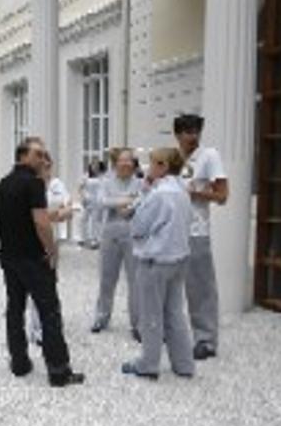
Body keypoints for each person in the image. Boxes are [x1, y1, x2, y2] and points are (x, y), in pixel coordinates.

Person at [0, 136, 85, 387]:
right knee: (49, 311)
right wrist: (52, 249)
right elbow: (40, 221)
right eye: (38, 154)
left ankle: (19, 362)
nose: (43, 159)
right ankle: (59, 370)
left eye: (44, 154)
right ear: (23, 155)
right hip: (32, 258)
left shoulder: (3, 183)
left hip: (9, 256)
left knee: (15, 308)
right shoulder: (33, 183)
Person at [121, 147, 195, 380]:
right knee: (175, 312)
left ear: (163, 166)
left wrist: (138, 204)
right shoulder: (182, 191)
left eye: (152, 163)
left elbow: (138, 227)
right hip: (179, 259)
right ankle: (184, 364)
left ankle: (149, 364)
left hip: (156, 261)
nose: (148, 168)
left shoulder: (159, 194)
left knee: (151, 314)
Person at [174, 114, 228, 360]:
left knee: (201, 287)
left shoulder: (209, 156)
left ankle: (205, 339)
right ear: (178, 134)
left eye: (196, 130)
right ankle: (173, 333)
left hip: (196, 231)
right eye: (187, 131)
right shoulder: (172, 159)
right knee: (170, 285)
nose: (192, 135)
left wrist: (196, 192)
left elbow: (223, 195)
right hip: (171, 231)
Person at [90, 148, 143, 338]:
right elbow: (102, 201)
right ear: (115, 163)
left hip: (133, 234)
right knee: (106, 278)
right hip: (110, 233)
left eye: (130, 161)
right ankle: (101, 317)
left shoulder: (140, 182)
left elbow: (142, 200)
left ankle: (137, 323)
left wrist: (123, 203)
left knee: (135, 280)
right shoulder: (106, 182)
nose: (126, 164)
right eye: (123, 160)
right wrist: (126, 201)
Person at [25, 151, 72, 346]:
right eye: (42, 165)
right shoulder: (30, 186)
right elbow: (31, 216)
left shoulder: (57, 185)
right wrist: (52, 214)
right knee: (37, 284)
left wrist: (52, 215)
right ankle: (37, 330)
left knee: (51, 281)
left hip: (53, 239)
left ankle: (49, 323)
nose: (46, 169)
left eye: (48, 165)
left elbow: (68, 210)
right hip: (32, 241)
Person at [78, 159, 103, 248]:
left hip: (97, 201)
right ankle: (82, 238)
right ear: (90, 166)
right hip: (87, 200)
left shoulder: (101, 177)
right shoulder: (86, 176)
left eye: (96, 166)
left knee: (94, 221)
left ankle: (94, 239)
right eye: (93, 165)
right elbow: (80, 188)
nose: (95, 167)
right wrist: (82, 198)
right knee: (83, 219)